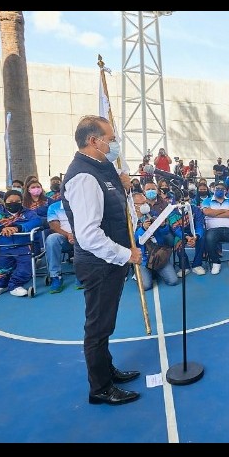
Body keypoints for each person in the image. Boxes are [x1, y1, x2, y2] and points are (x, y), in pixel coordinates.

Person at [61, 115, 143, 406]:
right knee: (97, 327)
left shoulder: (103, 168)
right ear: (94, 141)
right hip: (99, 264)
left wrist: (124, 187)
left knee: (105, 324)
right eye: (111, 139)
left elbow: (119, 211)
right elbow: (88, 235)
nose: (115, 144)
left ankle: (107, 370)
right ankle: (100, 388)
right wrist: (125, 254)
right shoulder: (84, 177)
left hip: (110, 262)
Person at [0, 189, 42, 297]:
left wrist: (19, 228)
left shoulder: (28, 213)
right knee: (2, 267)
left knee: (25, 266)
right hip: (5, 246)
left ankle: (15, 285)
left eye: (17, 201)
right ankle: (0, 285)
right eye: (10, 201)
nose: (13, 203)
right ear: (5, 202)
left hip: (24, 246)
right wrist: (0, 228)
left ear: (21, 202)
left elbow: (37, 221)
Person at [132, 192, 179, 289]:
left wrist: (163, 226)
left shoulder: (152, 214)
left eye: (146, 202)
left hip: (158, 255)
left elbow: (165, 233)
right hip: (143, 259)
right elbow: (132, 240)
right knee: (145, 286)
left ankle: (154, 270)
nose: (145, 205)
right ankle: (142, 271)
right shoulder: (130, 220)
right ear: (134, 205)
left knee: (173, 281)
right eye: (142, 203)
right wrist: (143, 229)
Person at [200, 181, 229, 274]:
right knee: (209, 238)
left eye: (222, 188)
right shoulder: (207, 201)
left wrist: (214, 213)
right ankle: (216, 262)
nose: (219, 190)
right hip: (213, 230)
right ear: (214, 189)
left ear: (226, 191)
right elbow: (207, 212)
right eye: (217, 188)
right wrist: (224, 210)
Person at [45, 199, 82, 293]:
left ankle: (81, 274)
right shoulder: (54, 207)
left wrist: (76, 235)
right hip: (63, 237)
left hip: (81, 236)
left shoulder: (83, 204)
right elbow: (54, 226)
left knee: (84, 239)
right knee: (51, 239)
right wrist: (68, 235)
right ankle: (56, 276)